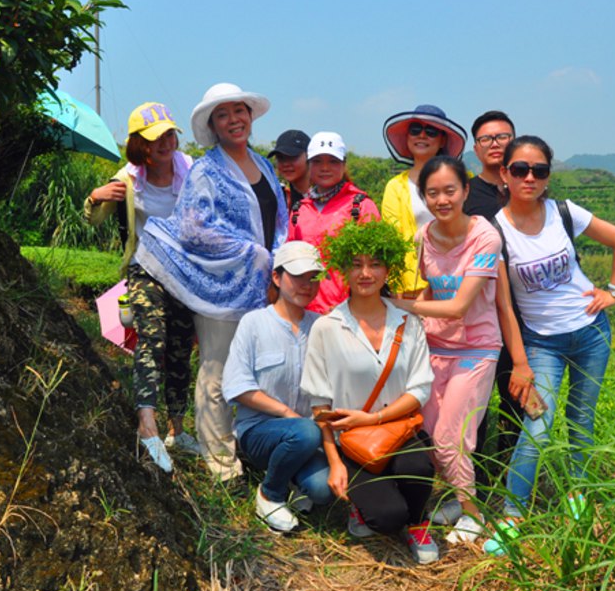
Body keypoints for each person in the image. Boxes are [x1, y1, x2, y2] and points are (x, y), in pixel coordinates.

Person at [137, 83, 288, 481]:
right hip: (221, 287)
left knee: (258, 370)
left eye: (239, 111)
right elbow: (193, 228)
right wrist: (254, 256)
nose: (233, 120)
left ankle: (250, 447)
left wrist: (278, 265)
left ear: (250, 116)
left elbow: (281, 220)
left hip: (263, 287)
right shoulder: (207, 170)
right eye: (223, 115)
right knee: (218, 370)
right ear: (213, 125)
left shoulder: (265, 166)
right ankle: (220, 464)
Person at [390, 155, 534, 543]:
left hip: (477, 348)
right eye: (432, 193)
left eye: (450, 190)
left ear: (465, 191)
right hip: (436, 346)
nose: (442, 199)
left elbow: (459, 305)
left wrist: (403, 305)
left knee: (453, 437)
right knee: (432, 432)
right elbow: (428, 291)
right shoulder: (423, 237)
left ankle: (472, 516)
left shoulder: (484, 236)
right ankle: (460, 497)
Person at [493, 135, 615, 518]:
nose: (529, 178)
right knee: (537, 427)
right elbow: (505, 306)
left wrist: (614, 291)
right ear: (504, 173)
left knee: (581, 420)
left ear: (548, 176)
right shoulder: (495, 232)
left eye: (538, 170)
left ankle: (578, 496)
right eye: (520, 169)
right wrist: (520, 362)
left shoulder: (563, 212)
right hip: (542, 344)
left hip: (592, 332)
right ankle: (512, 515)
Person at [300, 220, 440, 565]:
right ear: (343, 269)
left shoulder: (407, 322)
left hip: (398, 428)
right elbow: (320, 406)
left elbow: (420, 388)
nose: (366, 273)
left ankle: (419, 523)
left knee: (419, 467)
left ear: (388, 269)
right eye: (357, 264)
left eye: (375, 264)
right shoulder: (327, 328)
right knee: (385, 518)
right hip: (352, 440)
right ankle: (372, 509)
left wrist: (375, 416)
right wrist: (334, 463)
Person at [83, 102, 199, 472]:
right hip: (145, 269)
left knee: (182, 347)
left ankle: (176, 428)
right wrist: (94, 198)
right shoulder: (129, 178)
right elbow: (94, 219)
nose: (166, 142)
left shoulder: (190, 169)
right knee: (153, 337)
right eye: (155, 138)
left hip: (183, 273)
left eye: (169, 134)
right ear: (140, 145)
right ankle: (146, 423)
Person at [222, 241, 333, 532]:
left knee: (323, 490)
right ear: (277, 277)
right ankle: (269, 494)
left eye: (313, 278)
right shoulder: (254, 323)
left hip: (308, 433)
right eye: (297, 276)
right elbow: (237, 385)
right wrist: (285, 412)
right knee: (304, 432)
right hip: (259, 431)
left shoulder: (322, 327)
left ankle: (292, 478)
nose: (306, 285)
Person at [461, 110, 520, 490]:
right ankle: (477, 478)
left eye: (503, 136)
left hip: (525, 312)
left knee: (516, 396)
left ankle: (510, 474)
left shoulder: (528, 184)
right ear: (476, 148)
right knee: (478, 401)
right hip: (481, 313)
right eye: (487, 138)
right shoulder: (467, 194)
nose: (496, 143)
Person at [286, 131, 380, 314]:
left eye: (333, 161)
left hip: (350, 311)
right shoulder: (299, 210)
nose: (325, 168)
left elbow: (375, 263)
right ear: (308, 165)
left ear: (344, 165)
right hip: (305, 311)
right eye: (317, 161)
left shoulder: (361, 206)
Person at [381, 104, 467, 298]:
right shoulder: (395, 187)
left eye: (431, 131)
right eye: (415, 130)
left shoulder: (464, 180)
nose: (422, 136)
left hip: (460, 282)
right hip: (414, 286)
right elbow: (393, 240)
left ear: (442, 139)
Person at [267, 129, 311, 209]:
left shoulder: (326, 196)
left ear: (309, 156)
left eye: (292, 157)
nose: (285, 164)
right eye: (280, 158)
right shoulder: (279, 198)